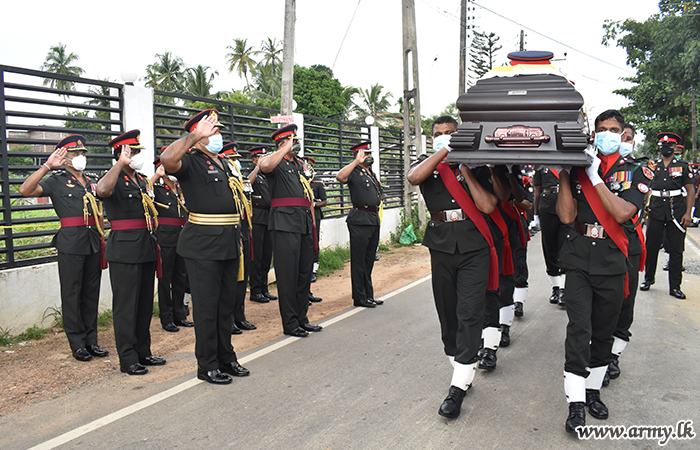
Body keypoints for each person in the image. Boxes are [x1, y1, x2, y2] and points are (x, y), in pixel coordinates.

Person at [556, 109, 651, 433]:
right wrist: (569, 175)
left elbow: (624, 213)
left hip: (613, 261)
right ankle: (576, 403)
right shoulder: (579, 166)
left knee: (602, 332)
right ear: (594, 133)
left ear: (623, 133)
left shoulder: (637, 169)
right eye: (602, 129)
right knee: (578, 329)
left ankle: (593, 389)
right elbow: (567, 216)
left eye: (613, 129)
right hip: (579, 257)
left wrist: (595, 177)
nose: (607, 133)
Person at [407, 115, 499, 419]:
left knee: (469, 313)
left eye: (449, 134)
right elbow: (413, 178)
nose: (443, 136)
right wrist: (443, 153)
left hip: (474, 245)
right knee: (447, 313)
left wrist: (465, 170)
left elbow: (487, 206)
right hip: (441, 245)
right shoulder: (428, 163)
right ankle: (460, 365)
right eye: (438, 133)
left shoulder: (476, 164)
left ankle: (457, 388)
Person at [160, 109, 249, 384]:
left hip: (228, 241)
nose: (216, 134)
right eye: (210, 130)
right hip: (202, 244)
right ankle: (207, 364)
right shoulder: (189, 162)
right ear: (197, 136)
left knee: (226, 305)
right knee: (207, 307)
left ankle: (226, 357)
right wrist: (194, 136)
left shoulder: (224, 163)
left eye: (217, 130)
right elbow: (166, 159)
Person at [19, 134, 109, 362]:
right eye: (75, 153)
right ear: (64, 157)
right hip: (71, 242)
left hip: (92, 239)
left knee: (91, 293)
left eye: (82, 153)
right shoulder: (56, 180)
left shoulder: (91, 180)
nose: (80, 157)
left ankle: (91, 340)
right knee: (72, 293)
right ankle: (77, 343)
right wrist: (47, 166)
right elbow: (25, 190)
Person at [96, 130, 166, 376]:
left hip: (146, 245)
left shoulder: (142, 179)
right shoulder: (113, 177)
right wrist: (119, 165)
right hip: (125, 249)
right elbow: (101, 191)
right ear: (120, 154)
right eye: (132, 151)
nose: (137, 156)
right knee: (126, 307)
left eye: (137, 151)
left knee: (144, 304)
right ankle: (127, 359)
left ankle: (143, 352)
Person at [259, 124, 322, 337]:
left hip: (303, 222)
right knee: (287, 275)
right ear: (281, 144)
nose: (297, 144)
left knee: (304, 274)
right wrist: (284, 150)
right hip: (284, 224)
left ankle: (302, 318)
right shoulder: (274, 161)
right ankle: (290, 323)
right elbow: (264, 166)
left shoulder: (299, 165)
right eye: (292, 140)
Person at [604, 122, 645, 384]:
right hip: (602, 244)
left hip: (629, 241)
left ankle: (613, 355)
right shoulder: (596, 166)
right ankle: (597, 352)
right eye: (622, 137)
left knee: (624, 304)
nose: (623, 141)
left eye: (628, 138)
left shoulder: (638, 169)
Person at [640, 132, 694, 299]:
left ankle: (675, 286)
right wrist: (644, 206)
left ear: (675, 147)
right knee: (651, 247)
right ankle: (648, 279)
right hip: (655, 209)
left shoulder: (684, 166)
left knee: (676, 250)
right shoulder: (652, 165)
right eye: (663, 145)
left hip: (676, 210)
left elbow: (691, 191)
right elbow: (644, 187)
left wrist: (688, 213)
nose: (666, 148)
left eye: (669, 146)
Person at [336, 141, 384, 308]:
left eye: (369, 154)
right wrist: (356, 161)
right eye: (365, 154)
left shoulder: (370, 173)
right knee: (359, 260)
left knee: (369, 259)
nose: (369, 156)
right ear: (358, 155)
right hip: (360, 219)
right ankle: (359, 297)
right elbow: (340, 177)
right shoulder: (354, 171)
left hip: (372, 218)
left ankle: (368, 294)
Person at [151, 155, 193, 333]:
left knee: (180, 278)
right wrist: (156, 176)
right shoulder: (156, 188)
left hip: (183, 237)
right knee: (165, 279)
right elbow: (142, 193)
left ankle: (180, 314)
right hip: (166, 238)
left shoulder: (181, 188)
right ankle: (166, 317)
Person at [220, 142, 256, 334]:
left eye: (237, 160)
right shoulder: (225, 180)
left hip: (244, 230)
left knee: (243, 278)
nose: (236, 163)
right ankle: (229, 319)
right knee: (231, 280)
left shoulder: (241, 180)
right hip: (231, 232)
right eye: (232, 160)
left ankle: (240, 316)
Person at [247, 146, 277, 303]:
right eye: (261, 157)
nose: (265, 159)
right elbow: (247, 185)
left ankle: (264, 288)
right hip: (257, 217)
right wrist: (257, 167)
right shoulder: (252, 173)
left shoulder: (268, 174)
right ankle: (255, 290)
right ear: (254, 159)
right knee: (257, 256)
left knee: (267, 255)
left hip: (269, 216)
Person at [533, 167, 566, 307]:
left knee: (565, 247)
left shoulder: (569, 160)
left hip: (566, 205)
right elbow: (538, 190)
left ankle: (565, 288)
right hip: (547, 206)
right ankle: (556, 287)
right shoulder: (541, 164)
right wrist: (536, 214)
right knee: (550, 247)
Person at [302, 155, 326, 303]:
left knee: (314, 245)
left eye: (309, 165)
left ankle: (313, 270)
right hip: (302, 217)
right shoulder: (299, 182)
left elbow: (324, 201)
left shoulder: (317, 184)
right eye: (306, 165)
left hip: (314, 216)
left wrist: (314, 204)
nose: (307, 167)